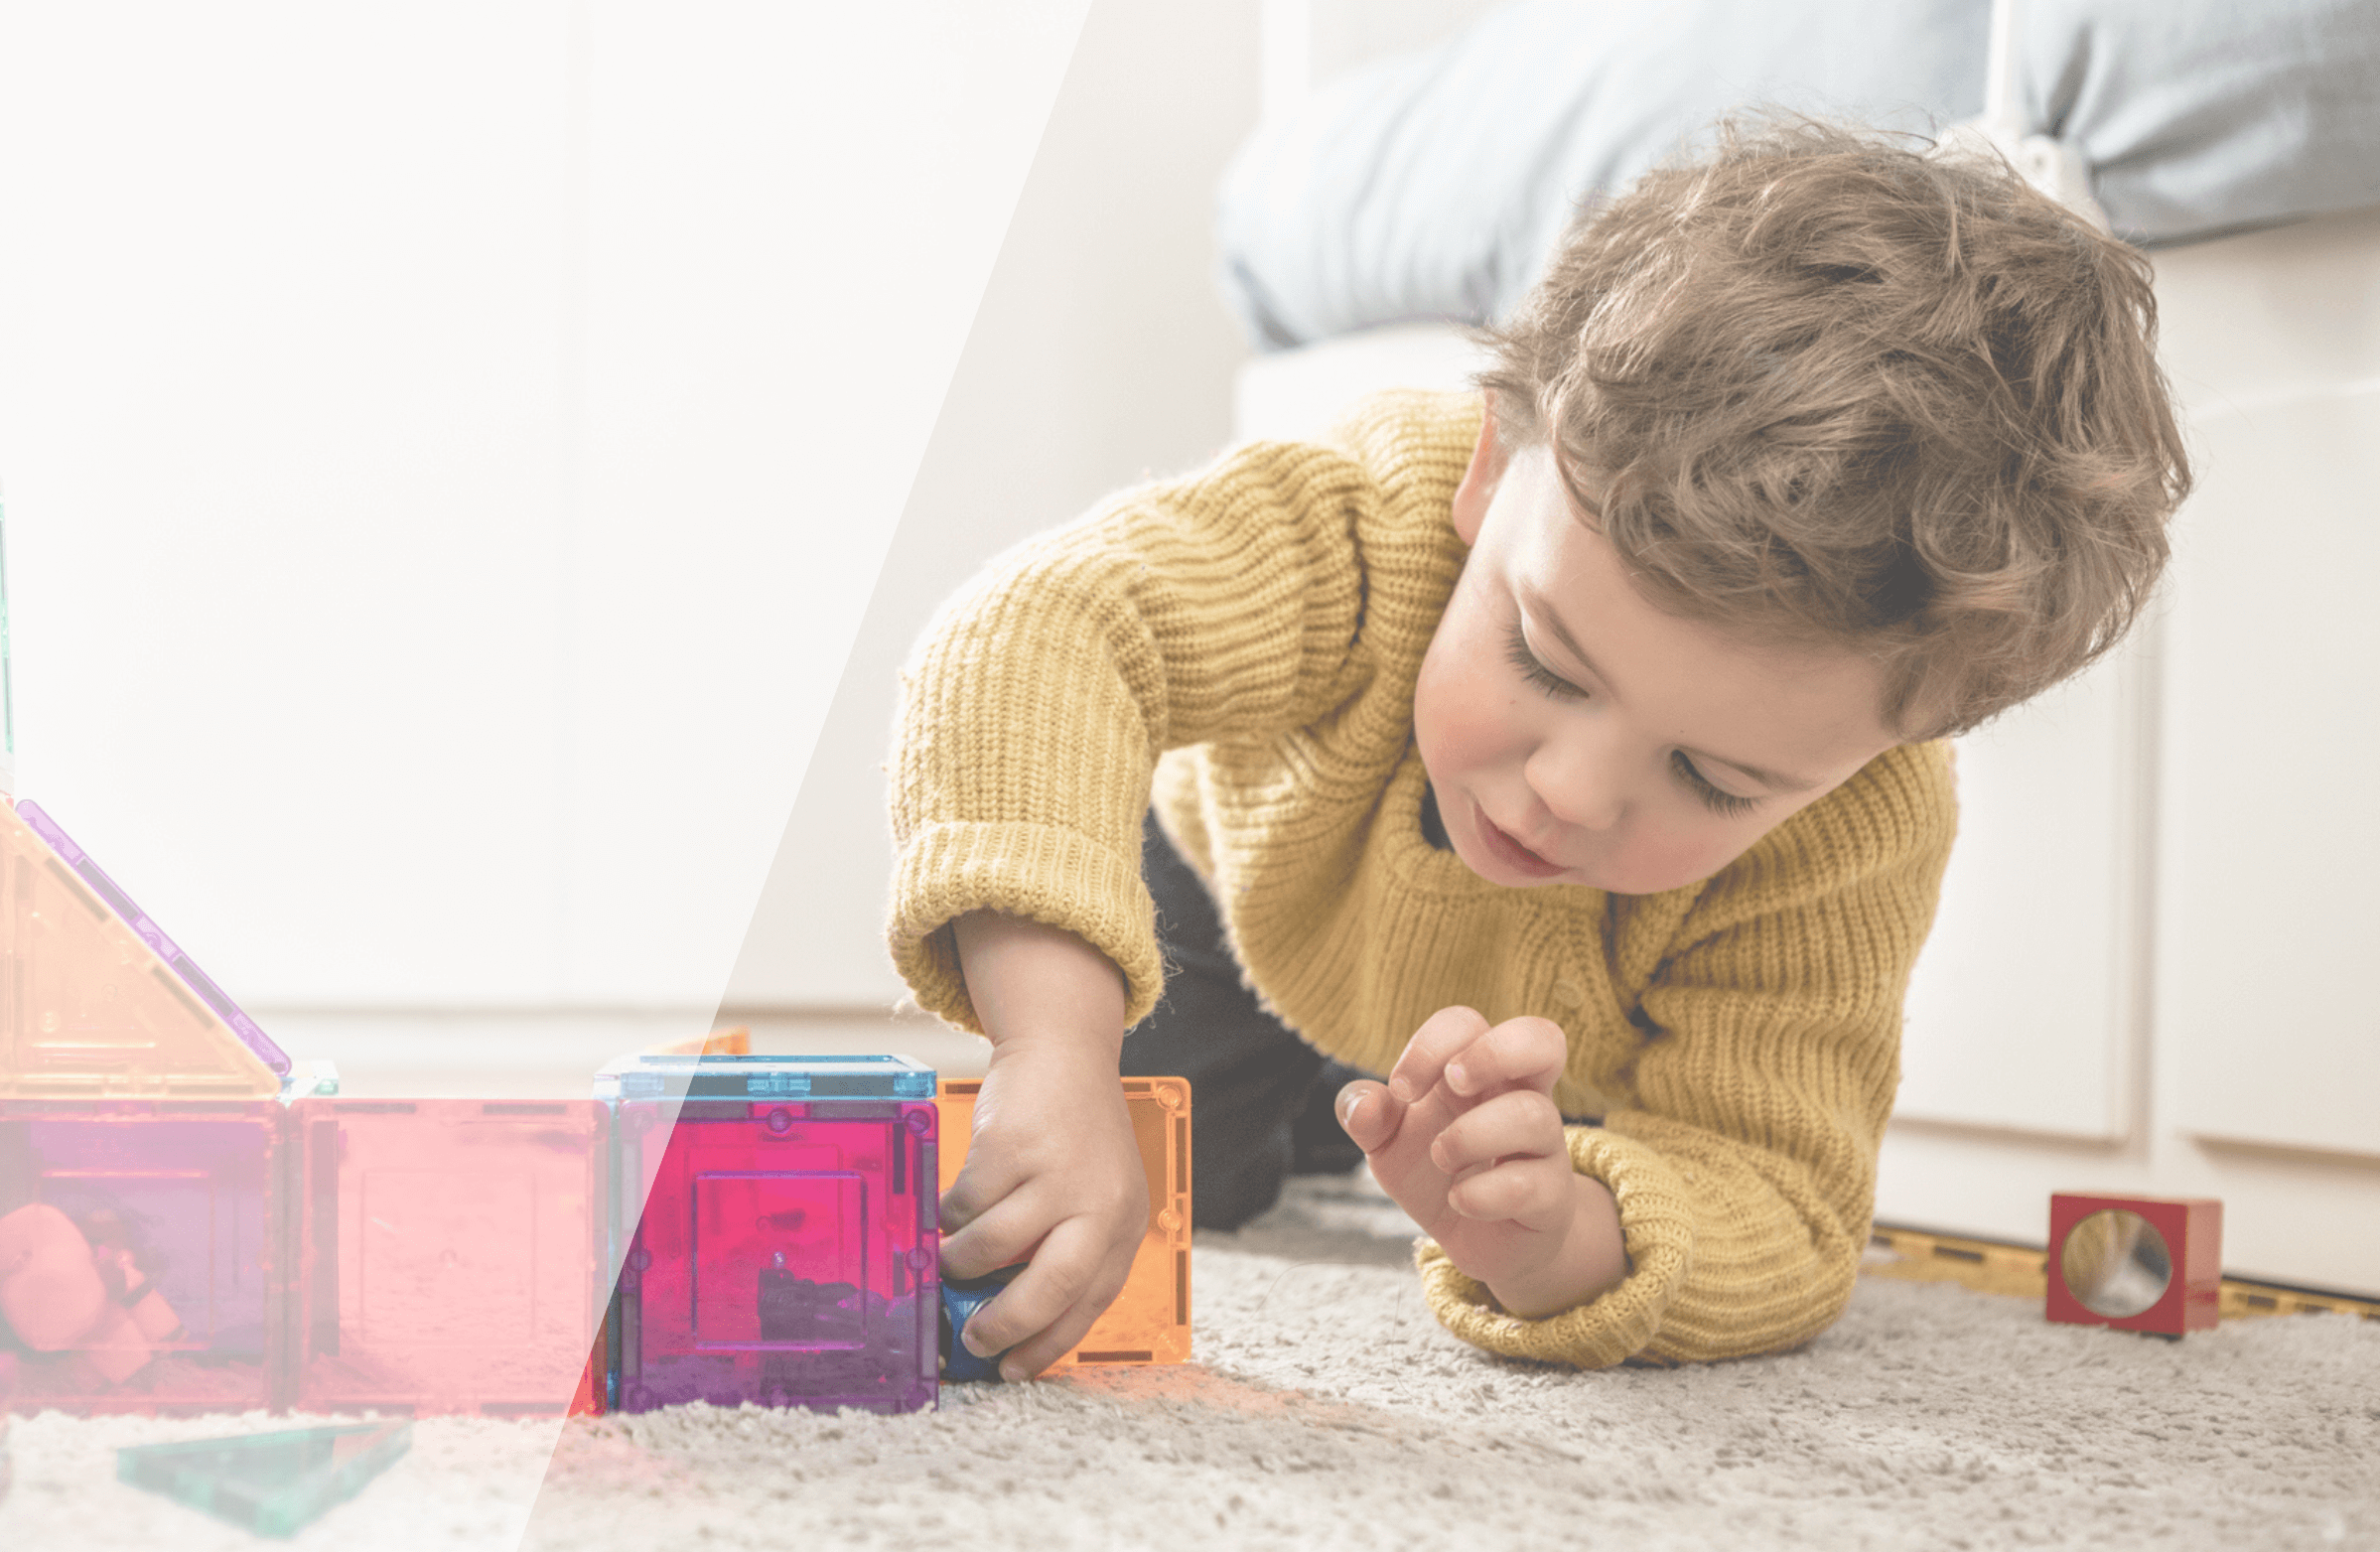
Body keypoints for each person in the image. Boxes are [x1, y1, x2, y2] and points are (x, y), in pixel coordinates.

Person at [891, 117, 2189, 1376]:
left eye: (1712, 778)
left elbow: (1783, 1203)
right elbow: (1037, 628)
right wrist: (1051, 1049)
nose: (1566, 790)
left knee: (1516, 1165)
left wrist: (1560, 1233)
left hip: (1543, 1037)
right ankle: (1313, 1121)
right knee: (1143, 1187)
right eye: (1545, 659)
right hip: (1243, 901)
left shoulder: (1861, 820)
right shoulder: (1372, 512)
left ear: (1899, 741)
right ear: (1492, 466)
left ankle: (1421, 1137)